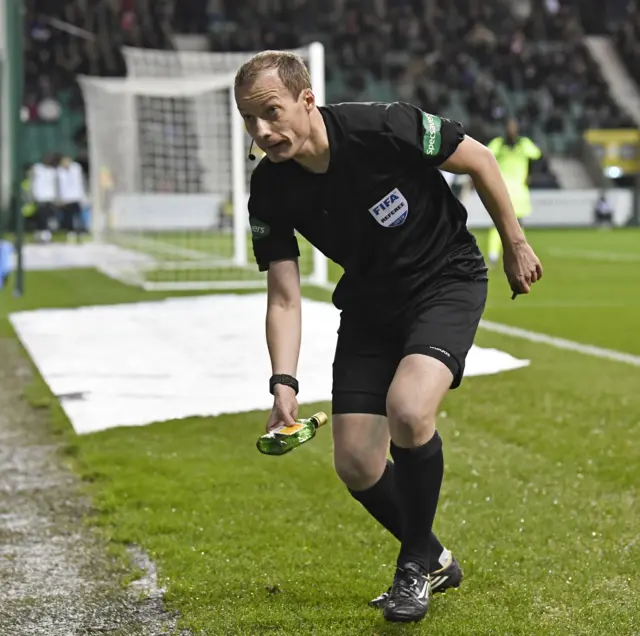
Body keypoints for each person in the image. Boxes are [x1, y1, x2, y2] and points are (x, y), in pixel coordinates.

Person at [235, 51, 542, 624]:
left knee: (408, 409)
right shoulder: (270, 188)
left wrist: (515, 243)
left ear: (306, 100)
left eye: (270, 113)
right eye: (249, 120)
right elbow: (283, 295)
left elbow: (477, 159)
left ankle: (412, 567)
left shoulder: (381, 126)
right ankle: (436, 558)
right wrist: (283, 382)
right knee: (354, 462)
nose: (261, 131)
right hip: (371, 306)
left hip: (444, 280)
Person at [486, 119, 542, 267]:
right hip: (504, 188)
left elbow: (538, 157)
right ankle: (495, 254)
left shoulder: (522, 143)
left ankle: (518, 254)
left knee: (516, 223)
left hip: (516, 190)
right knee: (501, 223)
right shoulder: (501, 143)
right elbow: (538, 156)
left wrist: (531, 175)